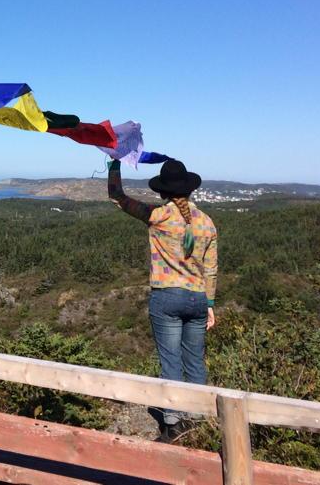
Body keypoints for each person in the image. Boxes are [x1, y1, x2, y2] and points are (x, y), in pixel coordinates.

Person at [106, 158, 218, 442]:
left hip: (166, 296)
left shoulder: (158, 216)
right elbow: (212, 269)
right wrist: (210, 305)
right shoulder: (207, 222)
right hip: (197, 298)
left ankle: (172, 425)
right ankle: (198, 422)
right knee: (195, 361)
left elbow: (117, 197)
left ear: (163, 192)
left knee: (170, 360)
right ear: (190, 190)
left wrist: (114, 164)